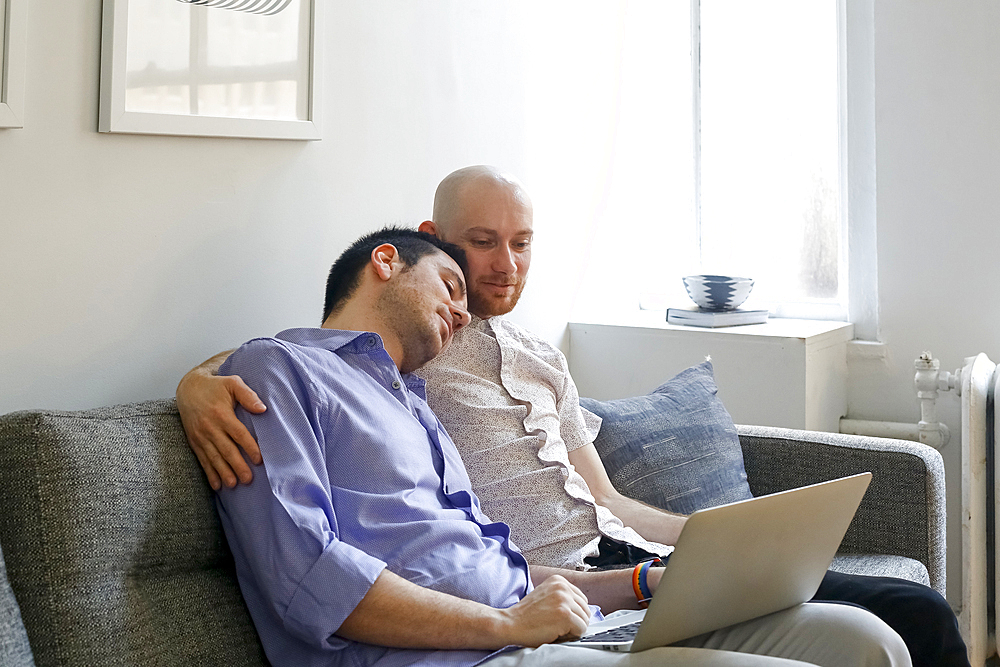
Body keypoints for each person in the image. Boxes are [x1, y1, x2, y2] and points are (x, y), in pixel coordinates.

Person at [177, 168, 968, 667]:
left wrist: (692, 555)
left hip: (585, 587)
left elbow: (586, 513)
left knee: (881, 634)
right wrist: (195, 380)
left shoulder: (435, 389)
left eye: (521, 244)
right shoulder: (312, 368)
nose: (497, 271)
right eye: (469, 256)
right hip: (494, 634)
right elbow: (286, 367)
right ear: (403, 252)